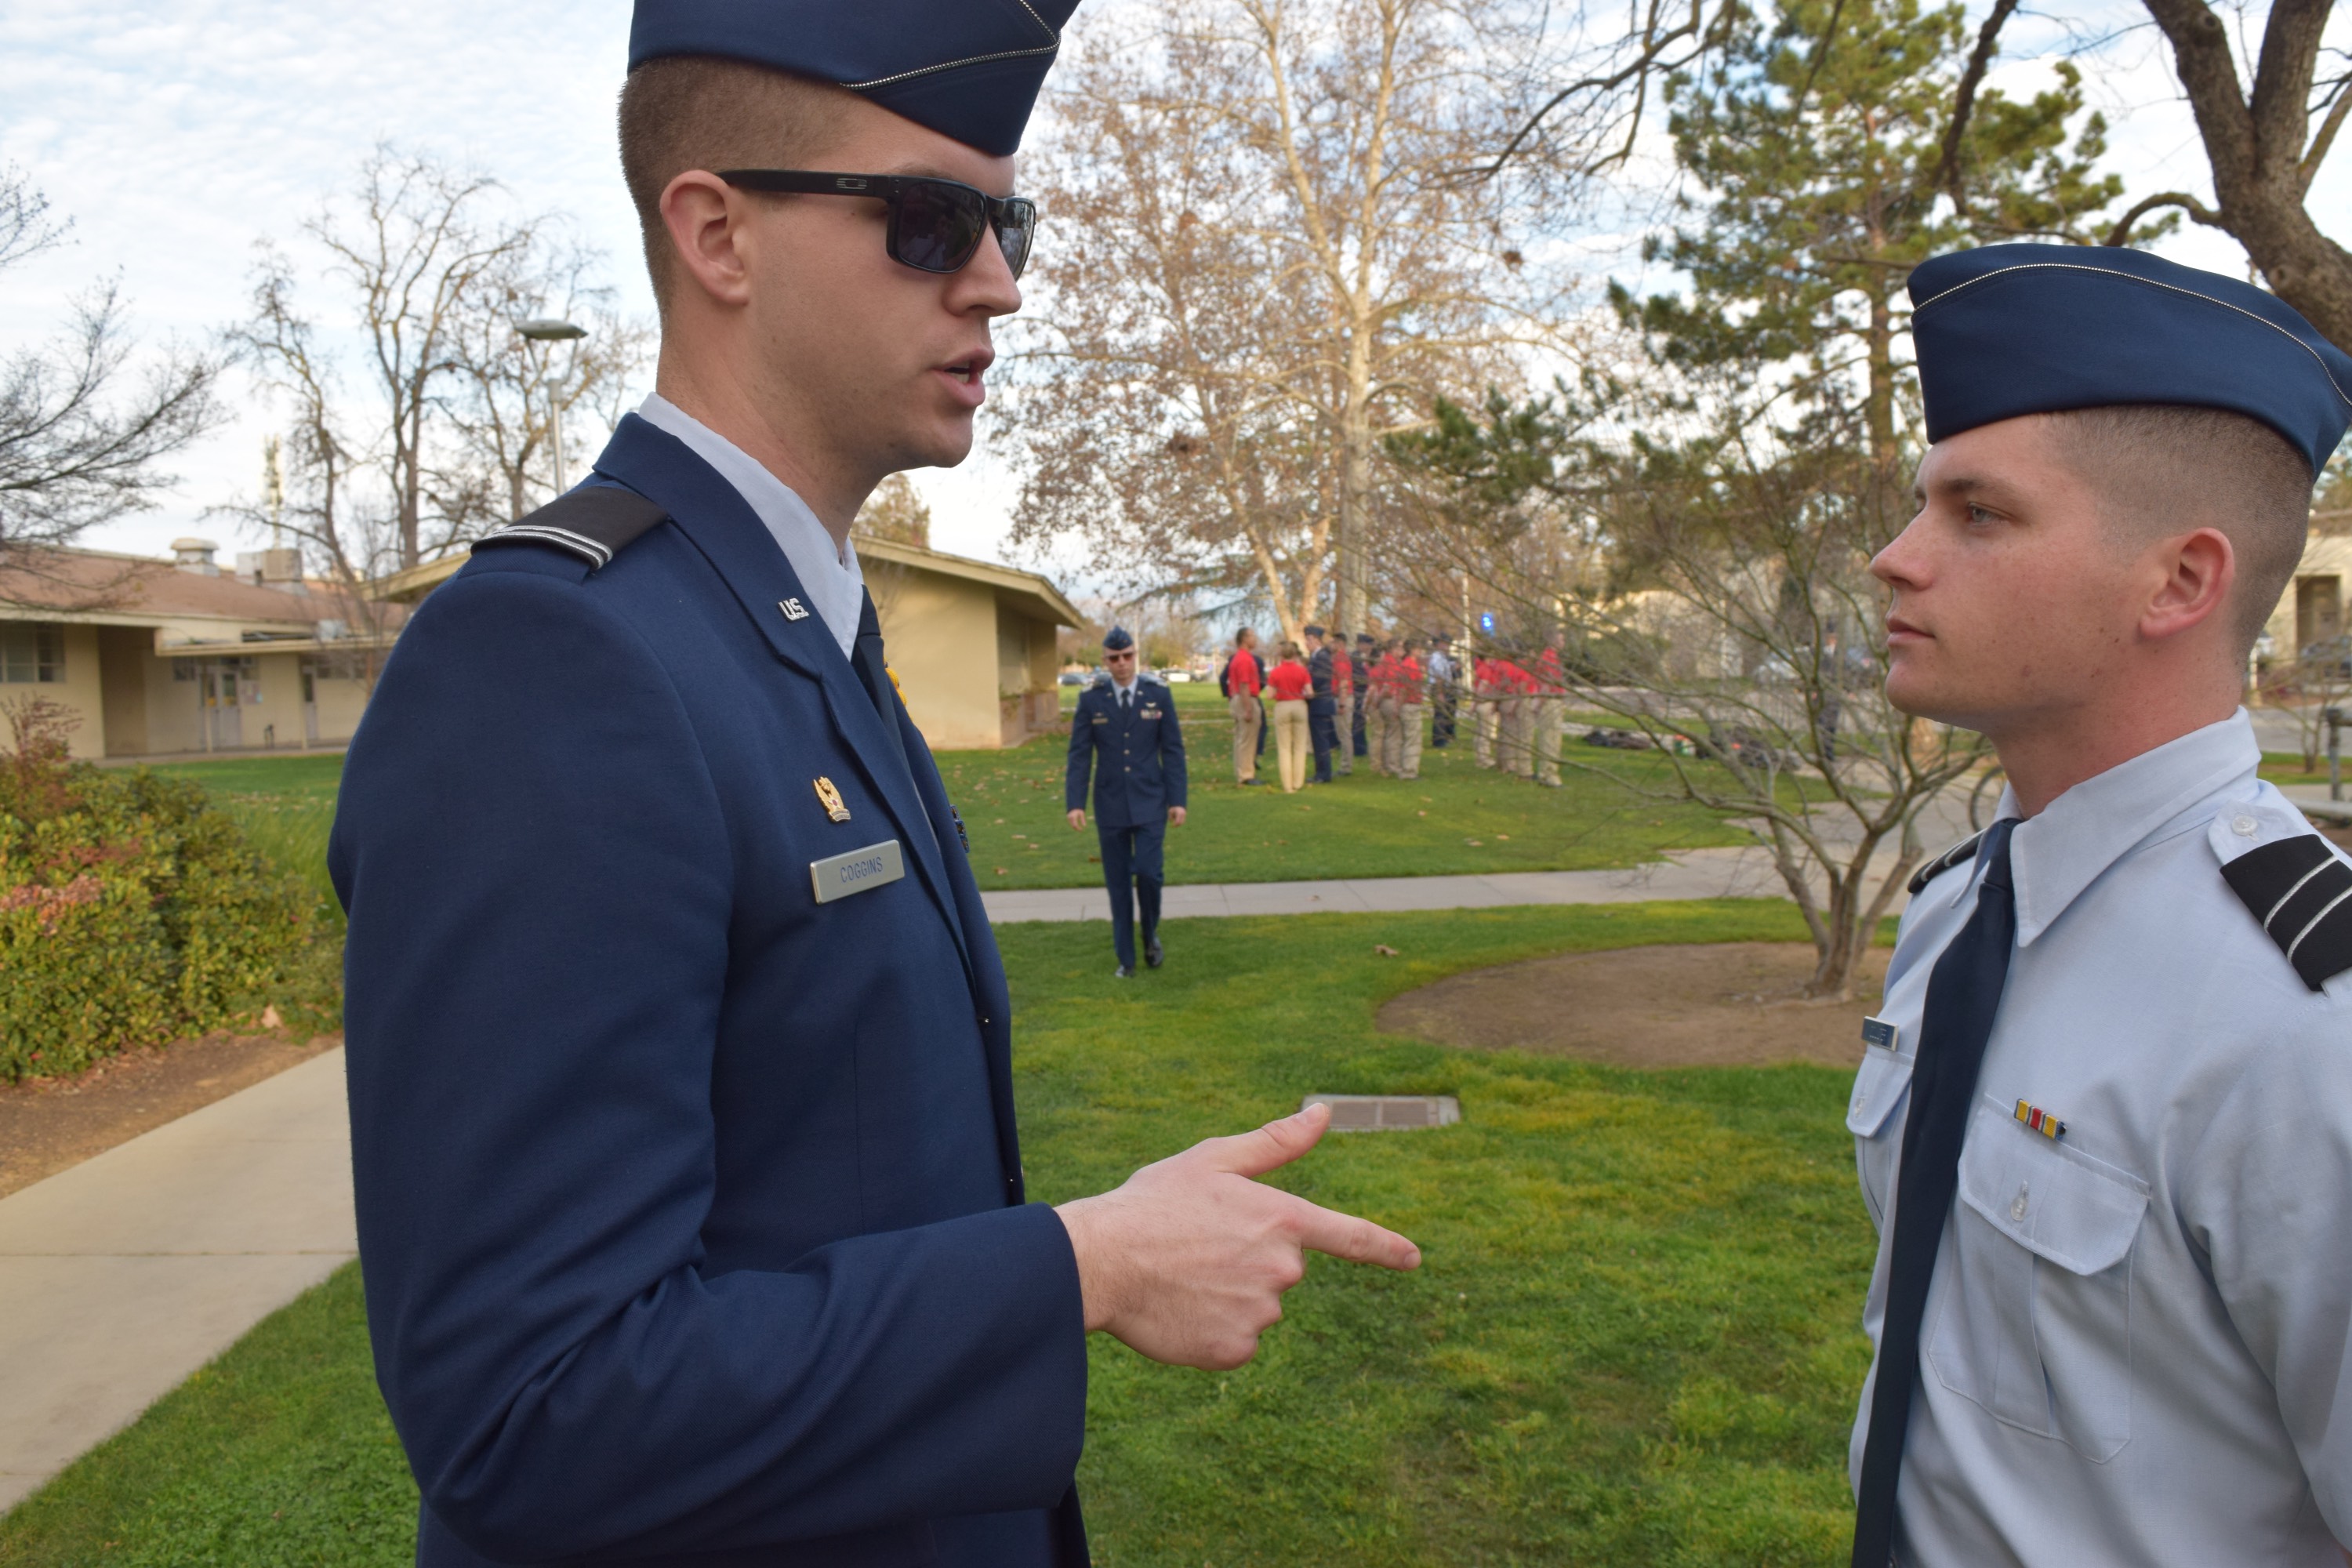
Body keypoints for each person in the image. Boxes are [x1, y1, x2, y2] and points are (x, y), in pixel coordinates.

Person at [330, 13, 1422, 1565]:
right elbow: (527, 1405)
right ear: (716, 233)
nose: (999, 281)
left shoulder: (787, 619)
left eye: (1007, 221)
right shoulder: (554, 656)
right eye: (930, 223)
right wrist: (1080, 1269)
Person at [1846, 242, 2352, 1568]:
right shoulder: (1959, 912)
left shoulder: (2307, 1025)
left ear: (2179, 582)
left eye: (1978, 514)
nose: (1894, 559)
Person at [1067, 626, 1188, 975]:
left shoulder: (1158, 695)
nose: (1122, 664)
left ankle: (1150, 934)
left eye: (1128, 656)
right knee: (1118, 883)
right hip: (1111, 805)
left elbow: (1173, 751)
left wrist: (1177, 799)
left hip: (1151, 800)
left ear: (1136, 656)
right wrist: (1075, 803)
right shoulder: (1092, 699)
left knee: (1150, 875)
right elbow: (1079, 755)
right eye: (1114, 658)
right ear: (1105, 661)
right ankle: (1126, 958)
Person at [1265, 640, 1314, 793]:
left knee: (1284, 748)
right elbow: (1310, 692)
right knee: (1300, 747)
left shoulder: (1275, 672)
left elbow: (1269, 695)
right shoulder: (1302, 671)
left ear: (1281, 655)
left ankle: (1287, 785)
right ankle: (1298, 782)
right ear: (1294, 654)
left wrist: (1280, 691)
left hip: (1283, 706)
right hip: (1299, 705)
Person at [1222, 627, 1264, 786]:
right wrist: (1248, 708)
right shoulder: (1244, 659)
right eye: (1252, 636)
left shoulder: (1240, 658)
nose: (1255, 639)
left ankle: (1242, 771)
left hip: (1238, 697)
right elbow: (1244, 685)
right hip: (1246, 698)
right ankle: (1246, 774)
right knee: (1247, 738)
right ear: (1244, 639)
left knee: (1241, 738)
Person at [1530, 631, 1566, 788]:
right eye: (1561, 639)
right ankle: (1550, 775)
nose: (1564, 642)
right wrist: (1539, 704)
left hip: (1551, 701)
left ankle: (1544, 773)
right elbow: (1546, 683)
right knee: (1552, 739)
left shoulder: (1550, 657)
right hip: (1551, 701)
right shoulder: (1549, 658)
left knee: (1546, 738)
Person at [1305, 623, 1339, 784]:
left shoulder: (1322, 657)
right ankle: (1321, 771)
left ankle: (1324, 773)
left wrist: (1305, 688)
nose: (1307, 643)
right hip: (1318, 704)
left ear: (1317, 641)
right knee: (1318, 740)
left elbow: (1317, 680)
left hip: (1320, 703)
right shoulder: (1316, 657)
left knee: (1321, 741)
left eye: (1309, 639)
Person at [1392, 638, 1426, 780]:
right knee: (1413, 739)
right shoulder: (1411, 665)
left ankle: (1405, 768)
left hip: (1407, 704)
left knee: (1407, 738)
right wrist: (1398, 706)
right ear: (1412, 650)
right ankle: (1409, 771)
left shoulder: (1404, 665)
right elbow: (1406, 688)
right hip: (1411, 704)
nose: (1420, 651)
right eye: (1418, 648)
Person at [1363, 639, 1397, 776]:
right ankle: (1376, 764)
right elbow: (1372, 690)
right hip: (1374, 703)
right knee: (1378, 734)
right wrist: (1370, 705)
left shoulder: (1374, 669)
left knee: (1379, 733)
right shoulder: (1377, 670)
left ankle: (1380, 763)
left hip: (1374, 703)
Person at [1330, 630, 1356, 776]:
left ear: (1340, 644)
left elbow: (1344, 681)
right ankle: (1346, 764)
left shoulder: (1340, 659)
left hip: (1343, 697)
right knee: (1343, 733)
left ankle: (1346, 766)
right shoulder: (1341, 658)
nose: (1331, 645)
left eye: (1333, 642)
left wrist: (1341, 703)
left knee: (1344, 733)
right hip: (1344, 697)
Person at [1472, 645, 1502, 768]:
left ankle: (1480, 757)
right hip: (1485, 702)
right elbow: (1482, 687)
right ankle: (1484, 759)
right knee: (1485, 733)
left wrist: (1474, 703)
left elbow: (1475, 687)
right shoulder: (1487, 670)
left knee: (1480, 731)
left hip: (1480, 704)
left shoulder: (1479, 668)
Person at [1425, 633, 1458, 747]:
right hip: (1439, 687)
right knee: (1440, 714)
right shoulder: (1437, 658)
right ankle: (1439, 740)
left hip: (1445, 686)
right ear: (1438, 644)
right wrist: (1440, 693)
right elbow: (1438, 677)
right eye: (1445, 643)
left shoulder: (1444, 657)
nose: (1447, 646)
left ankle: (1445, 737)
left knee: (1446, 713)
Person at [1350, 631, 1376, 765]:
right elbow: (1356, 675)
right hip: (1359, 691)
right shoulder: (1355, 658)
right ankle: (1359, 747)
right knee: (1358, 720)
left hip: (1368, 691)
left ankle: (1363, 746)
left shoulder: (1369, 657)